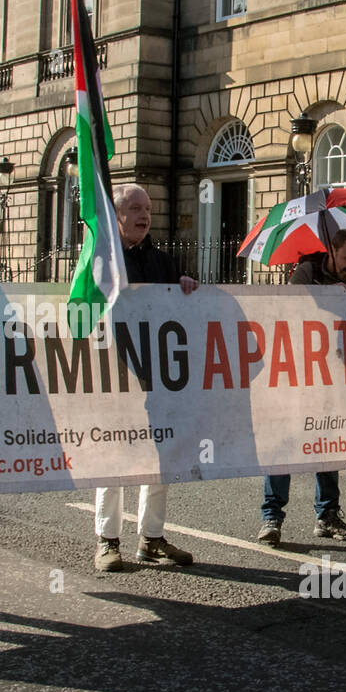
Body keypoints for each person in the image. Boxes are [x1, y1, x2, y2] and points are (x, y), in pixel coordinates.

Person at [94, 184, 199, 572]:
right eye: (135, 208)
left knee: (160, 455)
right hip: (115, 373)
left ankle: (152, 539)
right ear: (118, 215)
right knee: (116, 455)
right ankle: (107, 541)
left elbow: (180, 305)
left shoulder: (164, 263)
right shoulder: (100, 262)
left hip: (158, 375)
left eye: (148, 208)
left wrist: (187, 286)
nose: (144, 215)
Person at [257, 229, 346, 545]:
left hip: (333, 378)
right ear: (331, 250)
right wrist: (326, 297)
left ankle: (327, 516)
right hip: (294, 373)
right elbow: (289, 309)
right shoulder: (306, 270)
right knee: (283, 445)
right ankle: (271, 517)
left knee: (328, 445)